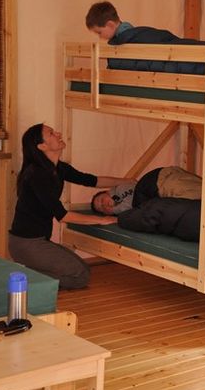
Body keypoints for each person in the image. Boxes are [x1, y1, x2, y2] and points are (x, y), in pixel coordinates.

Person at [8, 123, 131, 290]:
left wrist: (125, 181)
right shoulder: (37, 175)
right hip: (26, 244)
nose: (58, 133)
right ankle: (24, 278)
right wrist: (101, 220)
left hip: (39, 241)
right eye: (51, 133)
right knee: (80, 277)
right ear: (42, 146)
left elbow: (92, 180)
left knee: (83, 269)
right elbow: (63, 215)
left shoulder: (59, 168)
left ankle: (27, 273)